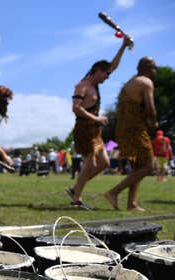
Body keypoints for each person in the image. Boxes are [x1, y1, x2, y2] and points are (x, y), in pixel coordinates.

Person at [66, 35, 132, 208]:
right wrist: (97, 118)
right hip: (84, 129)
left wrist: (123, 46)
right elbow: (76, 108)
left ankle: (75, 188)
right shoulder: (82, 86)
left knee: (104, 163)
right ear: (97, 70)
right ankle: (76, 200)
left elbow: (113, 66)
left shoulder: (96, 85)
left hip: (96, 131)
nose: (107, 77)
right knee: (91, 163)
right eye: (105, 74)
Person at [104, 57, 159, 212]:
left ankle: (131, 204)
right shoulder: (146, 82)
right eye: (154, 68)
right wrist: (154, 122)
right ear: (148, 68)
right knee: (148, 166)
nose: (155, 71)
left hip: (122, 129)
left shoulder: (129, 83)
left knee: (137, 167)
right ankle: (113, 192)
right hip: (136, 129)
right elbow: (150, 108)